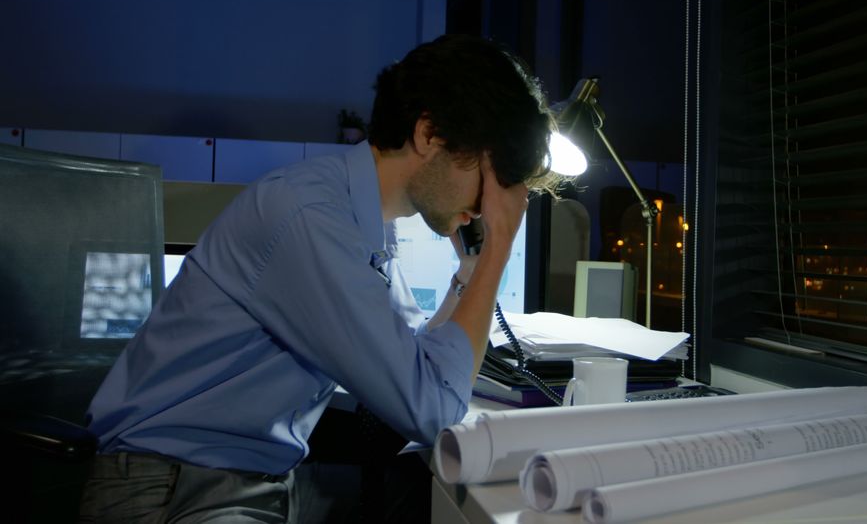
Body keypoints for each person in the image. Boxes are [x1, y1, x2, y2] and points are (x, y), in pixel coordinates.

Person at [78, 34, 558, 523]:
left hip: (249, 476)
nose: (483, 206)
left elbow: (417, 361)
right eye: (487, 178)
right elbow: (431, 409)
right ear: (429, 135)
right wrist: (498, 245)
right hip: (170, 485)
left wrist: (469, 272)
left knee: (421, 495)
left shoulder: (363, 222)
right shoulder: (310, 217)